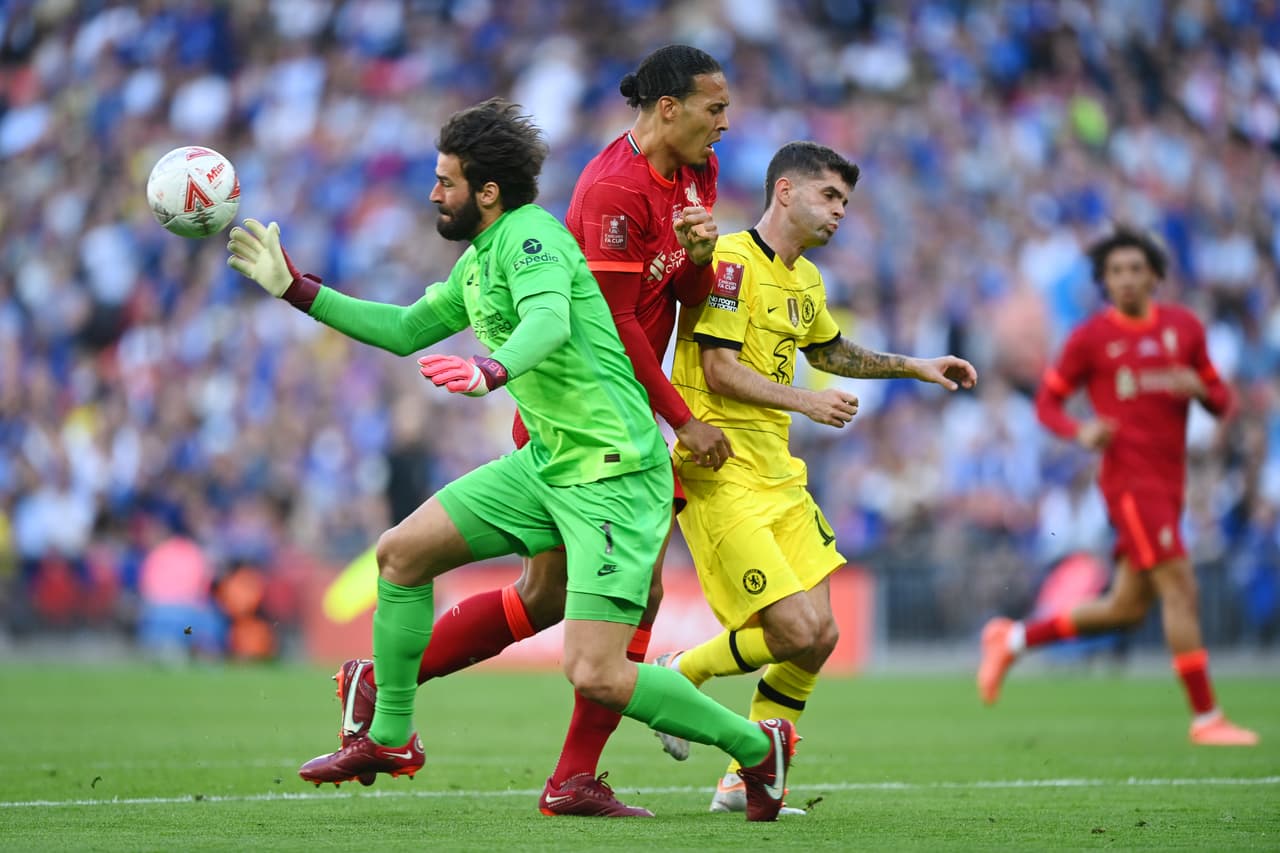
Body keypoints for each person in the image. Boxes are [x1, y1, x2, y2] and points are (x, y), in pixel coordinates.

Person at [227, 98, 797, 821]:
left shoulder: (532, 240)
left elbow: (550, 322)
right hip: (550, 463)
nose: (434, 192)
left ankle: (756, 746)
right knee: (400, 554)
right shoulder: (479, 259)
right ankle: (391, 737)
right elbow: (405, 329)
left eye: (446, 181)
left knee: (594, 670)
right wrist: (294, 287)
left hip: (613, 474)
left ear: (486, 192)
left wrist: (491, 370)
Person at [327, 44, 735, 817]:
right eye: (715, 108)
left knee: (550, 596)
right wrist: (680, 419)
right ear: (669, 109)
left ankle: (392, 688)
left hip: (610, 417)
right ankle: (590, 769)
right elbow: (610, 324)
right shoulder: (610, 192)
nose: (726, 123)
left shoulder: (695, 171)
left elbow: (684, 291)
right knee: (623, 605)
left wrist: (704, 258)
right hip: (594, 421)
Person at [652, 141, 977, 812]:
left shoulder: (806, 281)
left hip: (781, 475)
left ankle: (743, 782)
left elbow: (829, 348)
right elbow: (715, 368)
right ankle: (678, 675)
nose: (840, 212)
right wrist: (806, 399)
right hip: (723, 471)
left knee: (820, 636)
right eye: (830, 197)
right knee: (795, 629)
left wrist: (915, 365)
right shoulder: (732, 262)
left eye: (846, 203)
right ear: (786, 193)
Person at [976, 227, 1259, 747]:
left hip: (1172, 482)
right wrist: (1079, 430)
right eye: (1116, 271)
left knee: (1126, 607)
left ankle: (1011, 638)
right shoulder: (1091, 339)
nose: (1126, 279)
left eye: (1135, 269)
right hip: (1129, 483)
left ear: (1153, 275)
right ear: (1104, 281)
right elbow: (1047, 404)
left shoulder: (1184, 329)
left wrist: (1203, 389)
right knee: (1182, 588)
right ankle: (1207, 718)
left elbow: (1223, 402)